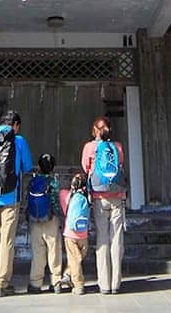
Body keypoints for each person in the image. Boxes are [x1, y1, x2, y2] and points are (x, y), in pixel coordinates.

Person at [0, 110, 34, 297]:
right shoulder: (18, 141)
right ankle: (2, 283)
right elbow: (26, 166)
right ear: (16, 125)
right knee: (7, 240)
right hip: (11, 197)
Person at [82, 115, 126, 294]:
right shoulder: (117, 146)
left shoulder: (89, 147)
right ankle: (116, 283)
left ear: (94, 131)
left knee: (102, 237)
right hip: (116, 195)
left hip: (99, 197)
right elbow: (121, 164)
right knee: (117, 238)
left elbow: (86, 168)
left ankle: (104, 284)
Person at [26, 153, 64, 293]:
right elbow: (56, 200)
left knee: (37, 252)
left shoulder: (33, 181)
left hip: (35, 219)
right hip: (51, 219)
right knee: (54, 251)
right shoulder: (54, 181)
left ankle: (35, 283)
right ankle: (56, 281)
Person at [62, 172, 91, 295]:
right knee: (78, 258)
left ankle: (78, 285)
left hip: (70, 234)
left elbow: (64, 209)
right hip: (83, 234)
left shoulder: (66, 195)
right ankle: (68, 274)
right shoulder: (87, 198)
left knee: (74, 260)